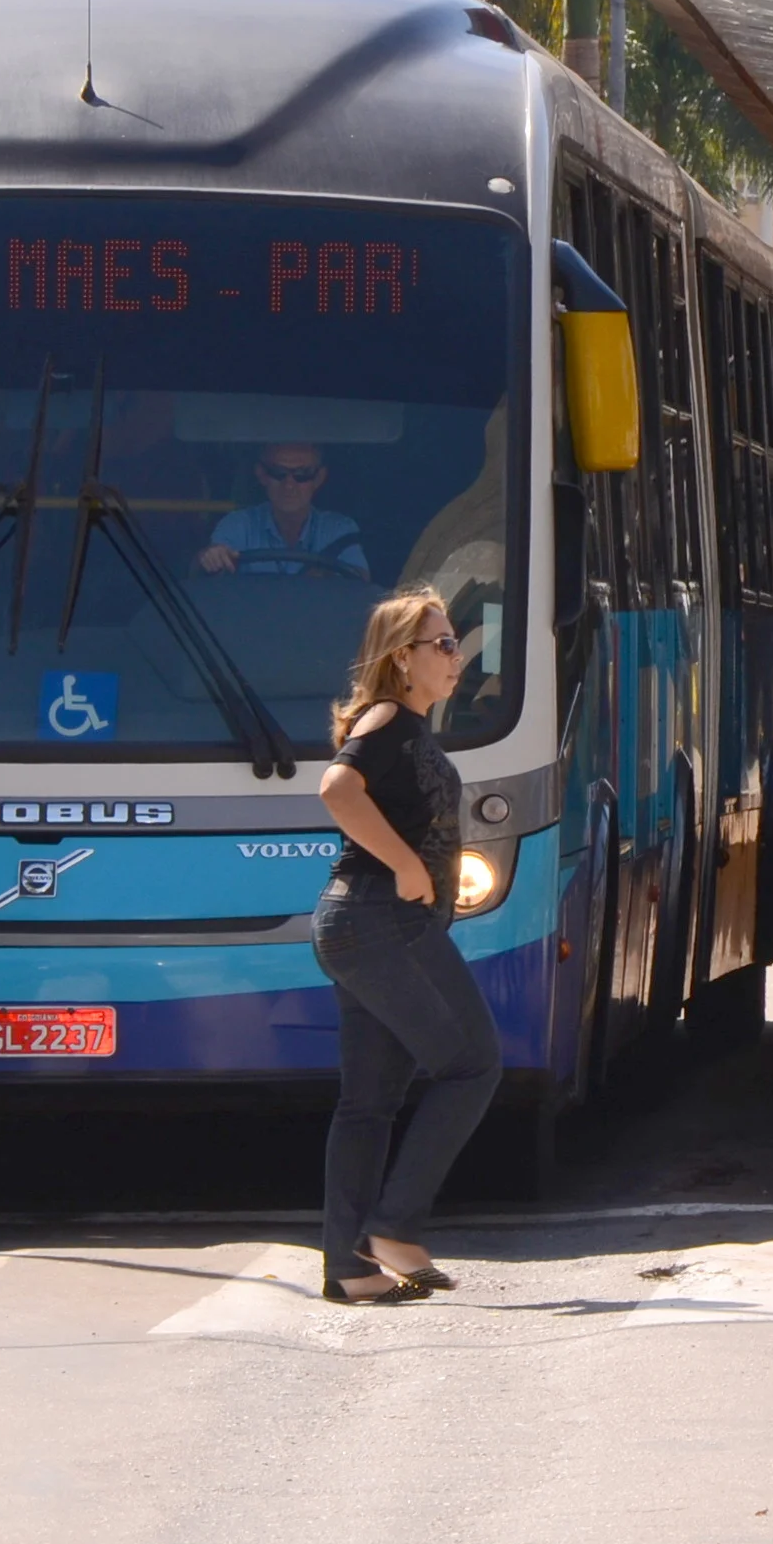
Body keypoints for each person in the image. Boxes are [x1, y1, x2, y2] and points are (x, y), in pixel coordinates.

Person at [310, 592, 502, 1305]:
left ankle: (348, 1266)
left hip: (359, 928)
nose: (458, 657)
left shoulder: (409, 726)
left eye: (456, 643)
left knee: (368, 1104)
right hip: (381, 921)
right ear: (403, 658)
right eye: (444, 645)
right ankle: (393, 1227)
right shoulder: (389, 718)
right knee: (474, 1065)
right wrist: (404, 864)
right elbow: (337, 788)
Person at [198, 442, 371, 579]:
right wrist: (211, 558)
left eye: (302, 474)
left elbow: (360, 581)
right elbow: (207, 568)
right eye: (278, 473)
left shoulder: (339, 530)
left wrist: (326, 577)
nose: (289, 485)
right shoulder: (237, 524)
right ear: (262, 475)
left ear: (319, 478)